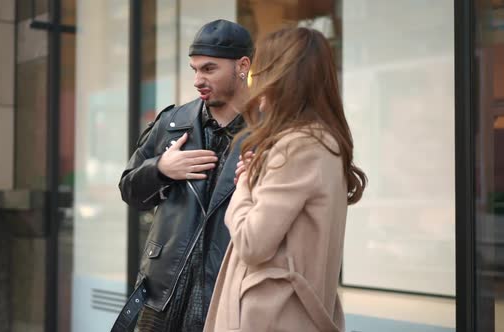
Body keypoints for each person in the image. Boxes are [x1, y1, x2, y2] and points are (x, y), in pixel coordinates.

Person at [203, 27, 367, 332]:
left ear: (278, 78)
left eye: (260, 71)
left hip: (271, 316)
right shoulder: (323, 141)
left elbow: (252, 243)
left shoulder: (298, 145)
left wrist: (245, 185)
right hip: (288, 312)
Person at [110, 19, 253, 332]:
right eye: (195, 69)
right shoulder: (174, 122)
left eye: (209, 69)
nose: (198, 79)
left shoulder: (268, 129)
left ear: (242, 66)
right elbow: (129, 190)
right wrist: (161, 169)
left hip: (227, 293)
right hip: (163, 291)